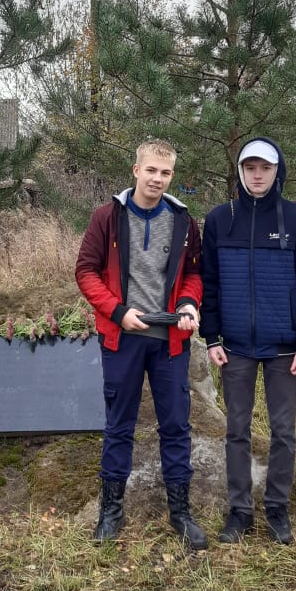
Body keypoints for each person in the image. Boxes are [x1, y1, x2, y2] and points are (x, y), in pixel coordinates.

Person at [75, 139, 206, 547]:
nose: (157, 179)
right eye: (151, 170)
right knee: (119, 426)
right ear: (135, 170)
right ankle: (110, 512)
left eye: (165, 173)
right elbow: (85, 272)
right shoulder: (107, 218)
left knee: (176, 426)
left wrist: (188, 302)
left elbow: (194, 275)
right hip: (123, 339)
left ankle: (180, 512)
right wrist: (117, 311)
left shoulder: (184, 221)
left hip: (169, 341)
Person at [200, 139, 296, 544]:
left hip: (286, 349)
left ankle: (277, 508)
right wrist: (211, 337)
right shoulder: (220, 220)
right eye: (250, 167)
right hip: (234, 346)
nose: (258, 174)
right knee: (236, 429)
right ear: (240, 171)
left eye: (265, 168)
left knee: (283, 431)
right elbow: (210, 284)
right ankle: (239, 511)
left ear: (278, 171)